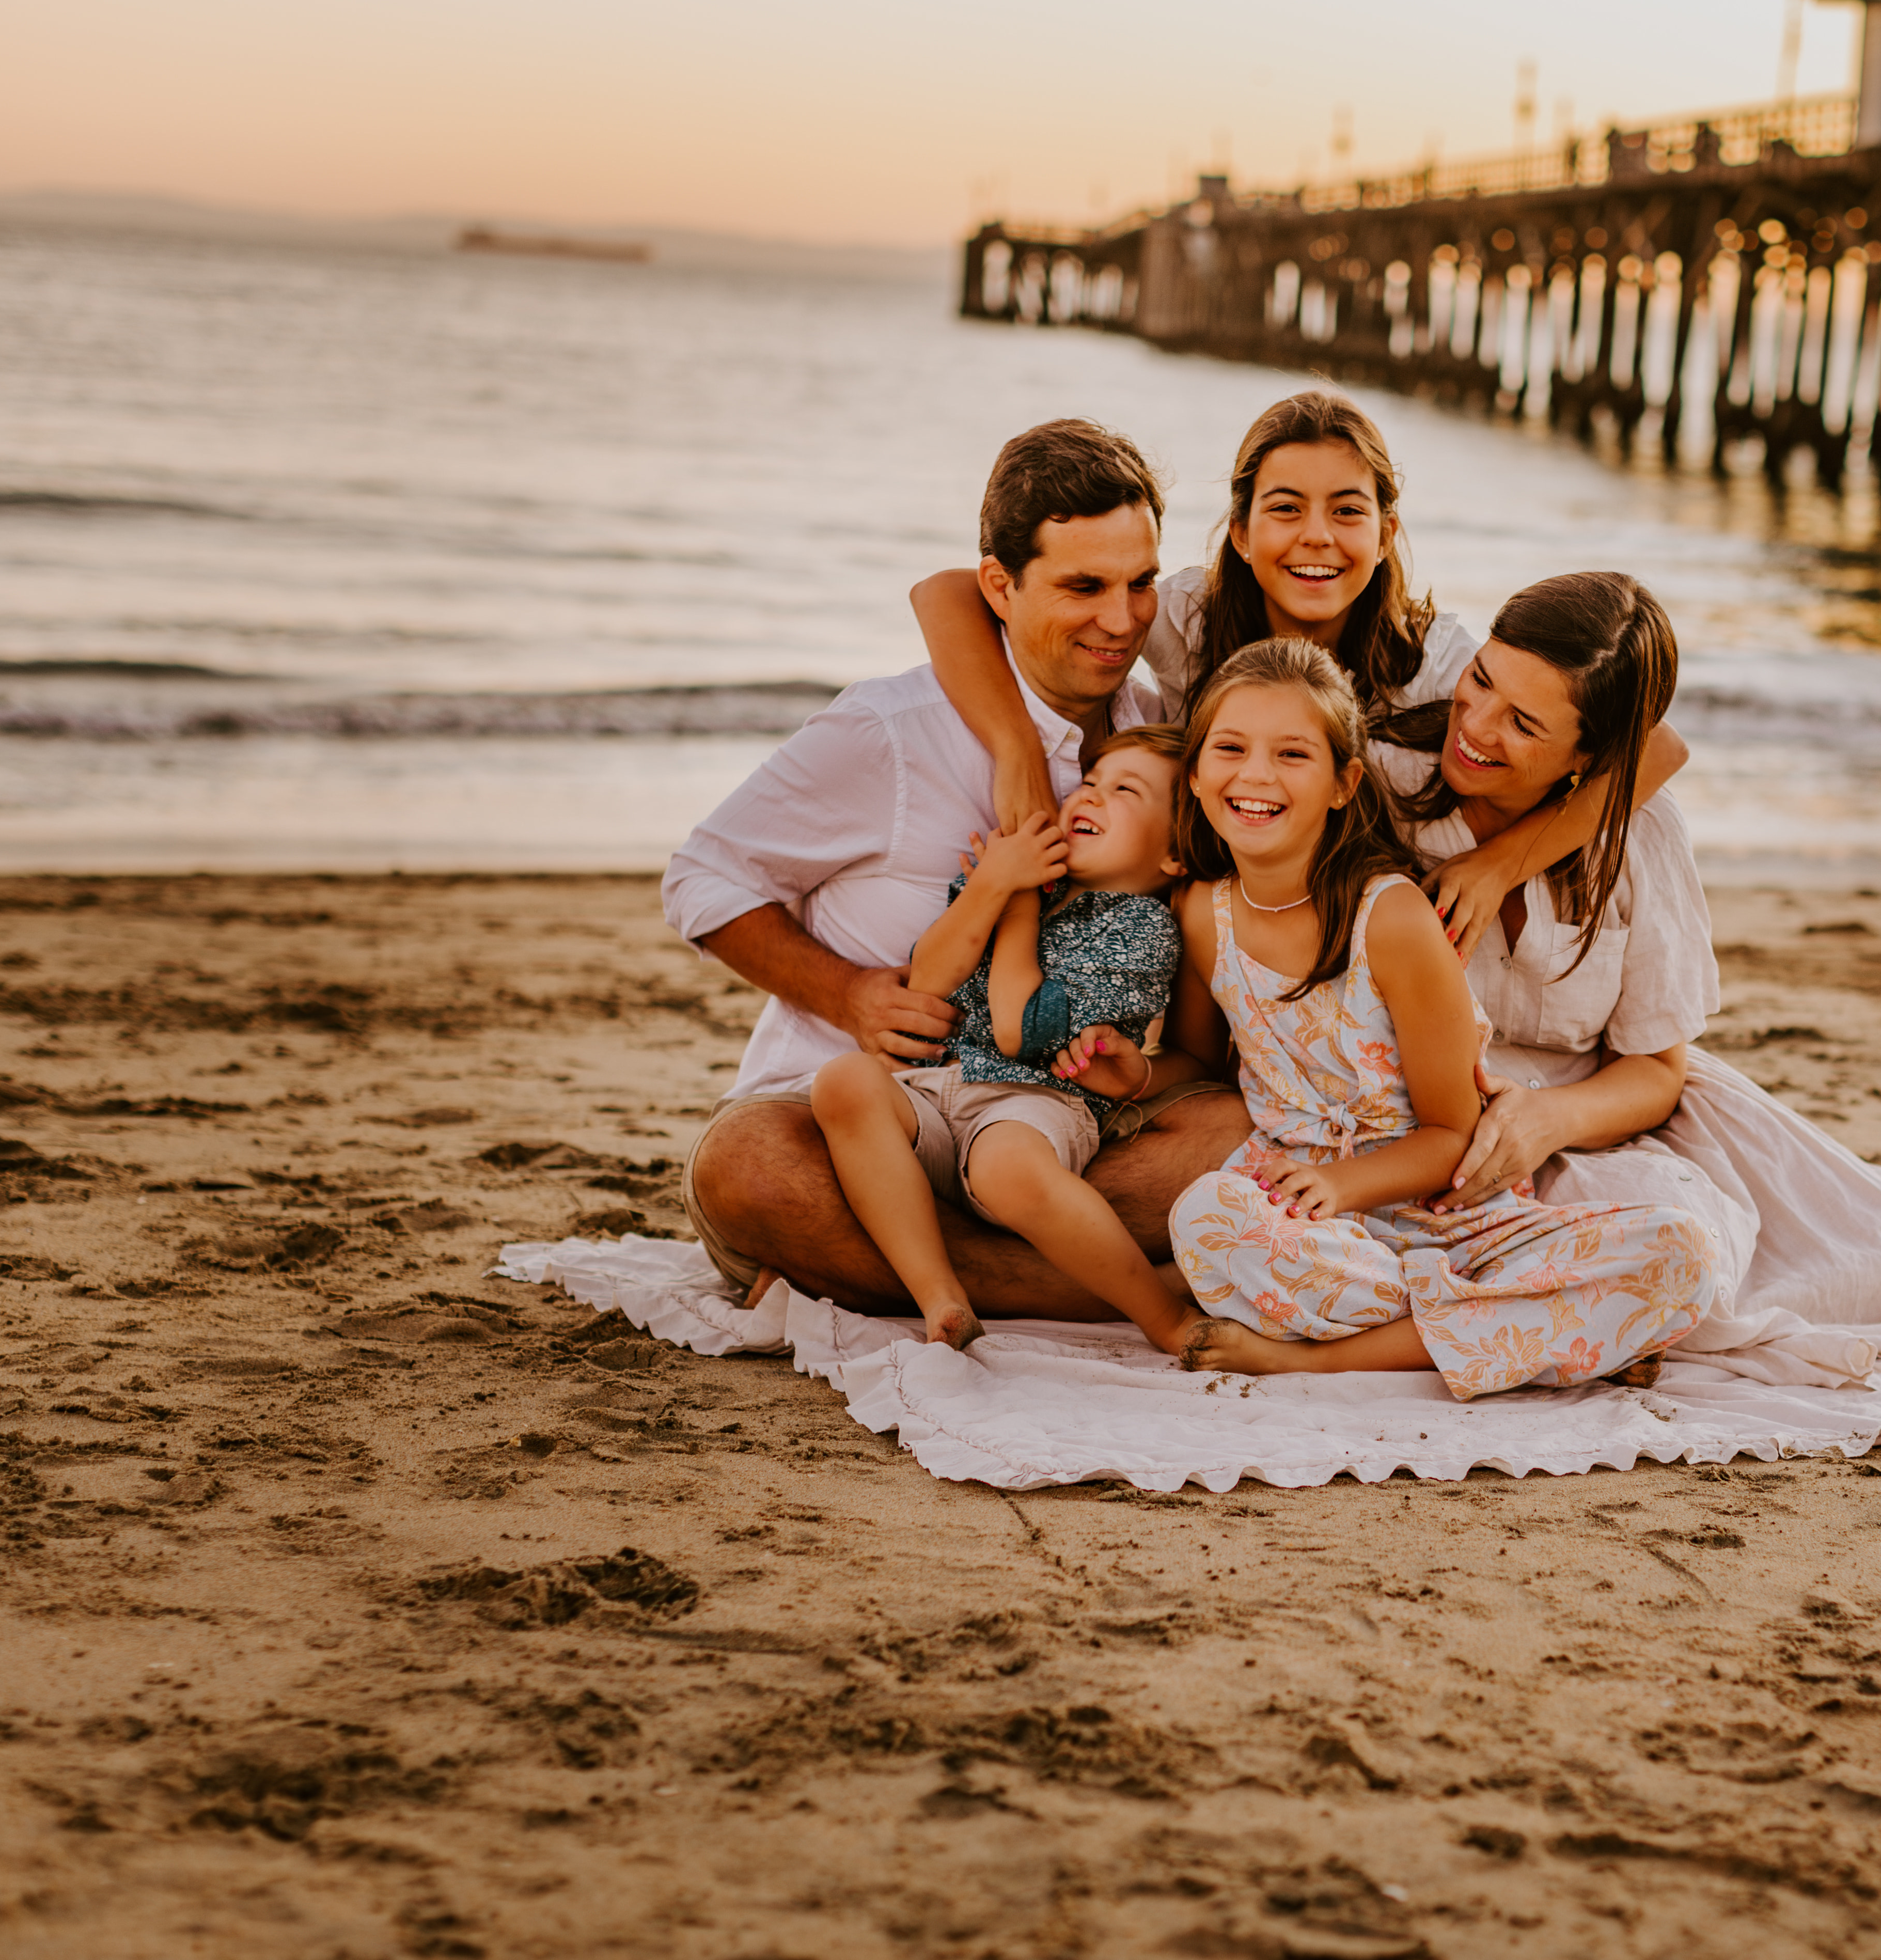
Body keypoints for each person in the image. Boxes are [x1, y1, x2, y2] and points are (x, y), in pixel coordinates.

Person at [1377, 573, 1881, 1382]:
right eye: (1481, 679)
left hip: (1593, 1117)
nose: (1477, 725)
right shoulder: (1385, 788)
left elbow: (1657, 1070)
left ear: (1592, 757)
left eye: (1524, 723)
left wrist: (1548, 1121)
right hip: (1427, 1122)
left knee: (1854, 1254)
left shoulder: (1643, 833)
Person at [665, 419, 1251, 1319]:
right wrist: (847, 994)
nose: (1123, 620)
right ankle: (1080, 1291)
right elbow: (702, 877)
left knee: (1232, 1130)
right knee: (748, 1169)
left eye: (1140, 583)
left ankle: (885, 1273)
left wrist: (1136, 1074)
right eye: (1084, 587)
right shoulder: (891, 731)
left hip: (1056, 1131)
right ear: (1000, 588)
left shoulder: (1156, 737)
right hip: (870, 1123)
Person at [910, 387, 1690, 959]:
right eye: (1286, 508)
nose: (1316, 536)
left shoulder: (1427, 657)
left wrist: (1498, 867)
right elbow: (946, 593)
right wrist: (1016, 749)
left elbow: (1658, 746)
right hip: (1211, 914)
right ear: (1242, 532)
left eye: (1347, 511)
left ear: (1385, 534)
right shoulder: (1191, 616)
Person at [1155, 638, 1715, 1397]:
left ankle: (1315, 1358)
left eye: (1292, 755)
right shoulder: (1202, 914)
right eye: (1230, 749)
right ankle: (1524, 1331)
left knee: (1681, 1253)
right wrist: (1132, 1074)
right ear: (1194, 773)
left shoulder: (1391, 919)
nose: (1256, 775)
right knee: (1206, 1218)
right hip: (1316, 1228)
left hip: (1455, 1220)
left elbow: (1452, 1133)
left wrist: (1342, 1182)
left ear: (1345, 784)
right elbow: (1198, 1064)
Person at [813, 726, 1210, 1353]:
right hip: (938, 1086)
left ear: (1174, 855)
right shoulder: (1006, 881)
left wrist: (1018, 899)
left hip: (1036, 1103)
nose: (1090, 796)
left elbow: (1019, 1028)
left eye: (1125, 790)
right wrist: (989, 888)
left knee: (1008, 1168)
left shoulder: (1141, 928)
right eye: (1089, 783)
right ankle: (941, 1297)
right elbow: (929, 979)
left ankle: (1162, 1315)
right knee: (844, 1080)